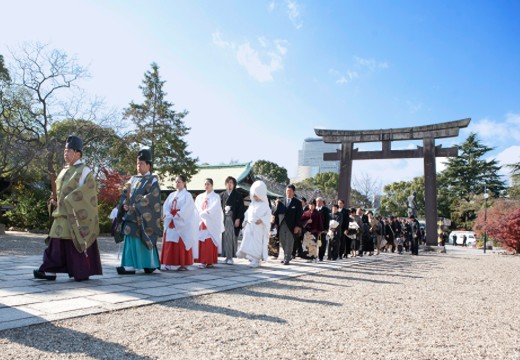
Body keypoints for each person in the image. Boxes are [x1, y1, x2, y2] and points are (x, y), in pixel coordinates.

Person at [34, 135, 102, 281]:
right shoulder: (63, 170)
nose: (65, 153)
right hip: (60, 213)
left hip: (74, 216)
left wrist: (67, 201)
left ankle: (80, 271)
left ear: (78, 153)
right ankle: (49, 270)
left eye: (69, 150)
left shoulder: (85, 171)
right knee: (55, 243)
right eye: (65, 150)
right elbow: (58, 191)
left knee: (73, 243)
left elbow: (88, 191)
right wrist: (54, 200)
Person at [114, 149, 162, 275]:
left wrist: (136, 206)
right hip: (130, 216)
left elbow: (152, 197)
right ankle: (129, 264)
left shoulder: (153, 180)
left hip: (142, 216)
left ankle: (148, 264)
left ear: (148, 165)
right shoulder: (132, 179)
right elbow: (125, 194)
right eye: (137, 163)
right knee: (129, 235)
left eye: (141, 163)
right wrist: (124, 204)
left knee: (143, 236)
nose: (138, 166)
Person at [161, 175, 199, 271]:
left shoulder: (187, 195)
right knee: (169, 241)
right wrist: (168, 214)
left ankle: (182, 263)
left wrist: (178, 215)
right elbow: (166, 206)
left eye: (179, 182)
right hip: (171, 219)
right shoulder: (171, 195)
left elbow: (188, 208)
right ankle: (167, 263)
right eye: (176, 182)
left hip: (181, 221)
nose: (177, 184)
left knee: (181, 242)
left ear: (184, 183)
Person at [237, 180, 271, 267]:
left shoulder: (265, 205)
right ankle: (252, 258)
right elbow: (247, 213)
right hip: (250, 226)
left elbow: (268, 215)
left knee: (257, 243)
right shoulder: (252, 204)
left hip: (259, 227)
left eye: (257, 196)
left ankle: (257, 259)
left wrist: (262, 220)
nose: (256, 198)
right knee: (249, 242)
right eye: (254, 196)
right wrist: (246, 220)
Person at [195, 178, 224, 269]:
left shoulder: (216, 196)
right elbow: (196, 206)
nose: (206, 186)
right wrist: (201, 213)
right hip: (201, 220)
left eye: (208, 184)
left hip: (211, 221)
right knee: (202, 240)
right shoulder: (200, 197)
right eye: (205, 184)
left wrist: (206, 212)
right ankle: (203, 261)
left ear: (212, 185)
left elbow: (215, 208)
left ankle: (210, 261)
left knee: (209, 241)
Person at [272, 184, 303, 265]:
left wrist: (297, 226)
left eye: (290, 191)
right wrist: (275, 224)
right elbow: (276, 213)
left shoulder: (297, 202)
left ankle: (287, 258)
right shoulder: (281, 201)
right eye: (287, 191)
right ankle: (287, 256)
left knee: (289, 241)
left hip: (292, 225)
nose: (288, 193)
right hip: (281, 224)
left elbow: (299, 216)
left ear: (293, 192)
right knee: (282, 241)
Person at [220, 176, 245, 265]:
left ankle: (230, 257)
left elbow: (241, 208)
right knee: (224, 238)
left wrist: (238, 218)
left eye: (231, 183)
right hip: (223, 218)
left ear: (234, 185)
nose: (229, 184)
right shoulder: (222, 195)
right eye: (228, 183)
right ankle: (226, 256)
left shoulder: (238, 195)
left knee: (230, 238)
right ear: (225, 184)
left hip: (232, 218)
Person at [300, 198, 323, 262]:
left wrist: (320, 231)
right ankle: (307, 257)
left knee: (313, 245)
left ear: (315, 205)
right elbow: (301, 221)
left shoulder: (317, 213)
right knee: (307, 245)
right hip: (307, 231)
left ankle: (313, 257)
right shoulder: (306, 213)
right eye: (310, 205)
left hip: (314, 231)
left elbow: (320, 223)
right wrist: (307, 221)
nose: (311, 206)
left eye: (312, 205)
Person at [316, 197, 330, 261]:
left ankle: (321, 256)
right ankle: (313, 255)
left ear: (322, 202)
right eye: (317, 201)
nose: (318, 203)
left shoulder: (325, 210)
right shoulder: (314, 209)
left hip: (322, 230)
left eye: (320, 201)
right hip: (314, 229)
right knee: (313, 242)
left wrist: (326, 229)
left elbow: (327, 220)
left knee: (322, 244)